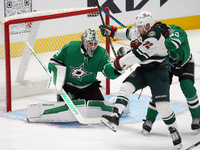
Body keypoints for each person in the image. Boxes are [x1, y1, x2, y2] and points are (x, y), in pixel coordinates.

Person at [99, 11, 182, 149]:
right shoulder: (139, 30)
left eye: (141, 27)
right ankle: (115, 116)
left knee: (162, 106)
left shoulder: (155, 38)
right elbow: (128, 32)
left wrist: (119, 63)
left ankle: (174, 130)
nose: (138, 29)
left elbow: (137, 56)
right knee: (125, 87)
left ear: (149, 25)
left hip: (158, 73)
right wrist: (113, 32)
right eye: (137, 26)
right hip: (144, 70)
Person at [142, 22, 200, 135]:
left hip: (185, 62)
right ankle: (149, 119)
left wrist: (153, 43)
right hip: (167, 65)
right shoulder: (155, 39)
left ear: (166, 32)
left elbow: (173, 45)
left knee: (187, 86)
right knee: (159, 91)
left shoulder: (177, 31)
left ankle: (197, 117)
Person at [47, 28, 121, 102]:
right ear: (84, 41)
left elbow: (108, 72)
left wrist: (118, 67)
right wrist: (56, 78)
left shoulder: (101, 53)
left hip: (89, 87)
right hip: (69, 86)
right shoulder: (70, 47)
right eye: (90, 43)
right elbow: (54, 62)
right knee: (65, 110)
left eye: (95, 43)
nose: (92, 46)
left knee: (98, 109)